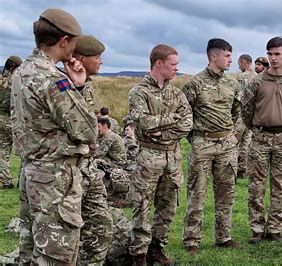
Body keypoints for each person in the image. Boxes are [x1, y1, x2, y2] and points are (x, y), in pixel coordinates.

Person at [11, 8, 98, 265]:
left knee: (31, 251)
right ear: (63, 41)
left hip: (32, 172)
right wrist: (79, 86)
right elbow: (87, 129)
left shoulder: (23, 71)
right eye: (73, 42)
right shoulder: (51, 79)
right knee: (55, 256)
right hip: (55, 180)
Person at [128, 44, 192, 265]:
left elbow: (187, 123)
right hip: (148, 156)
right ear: (159, 63)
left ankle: (157, 247)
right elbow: (142, 121)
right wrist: (170, 119)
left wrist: (161, 131)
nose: (177, 68)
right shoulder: (139, 92)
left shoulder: (176, 93)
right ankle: (138, 254)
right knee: (142, 204)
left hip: (172, 157)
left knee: (168, 205)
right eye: (174, 64)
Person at [242, 37, 282, 244]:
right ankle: (257, 228)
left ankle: (275, 228)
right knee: (255, 186)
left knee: (281, 186)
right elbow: (246, 111)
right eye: (270, 54)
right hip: (260, 138)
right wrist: (258, 129)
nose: (273, 58)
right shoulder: (256, 82)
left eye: (277, 54)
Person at [182, 38, 241, 255]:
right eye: (226, 56)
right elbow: (184, 114)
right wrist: (195, 138)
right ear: (213, 56)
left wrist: (232, 136)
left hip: (226, 145)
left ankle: (224, 237)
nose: (230, 60)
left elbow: (236, 110)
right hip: (202, 145)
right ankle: (191, 240)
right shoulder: (194, 84)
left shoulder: (232, 83)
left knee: (226, 193)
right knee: (197, 194)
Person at [73, 34, 113, 265]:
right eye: (97, 57)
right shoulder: (62, 84)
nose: (101, 62)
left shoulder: (86, 85)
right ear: (80, 58)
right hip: (68, 170)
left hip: (88, 167)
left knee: (102, 227)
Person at [95, 117, 128, 207]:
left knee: (97, 162)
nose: (97, 129)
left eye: (99, 127)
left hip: (118, 164)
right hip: (117, 161)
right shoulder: (111, 135)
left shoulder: (110, 137)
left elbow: (99, 154)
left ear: (105, 126)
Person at [0, 55, 22, 189]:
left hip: (0, 118)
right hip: (13, 119)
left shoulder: (1, 80)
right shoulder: (17, 81)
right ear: (15, 66)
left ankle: (6, 181)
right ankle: (23, 180)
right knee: (25, 150)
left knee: (2, 151)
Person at [235, 54, 256, 178]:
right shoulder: (258, 77)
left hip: (241, 115)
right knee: (246, 143)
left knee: (234, 142)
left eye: (239, 63)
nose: (238, 66)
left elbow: (239, 96)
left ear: (243, 62)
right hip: (253, 116)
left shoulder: (242, 77)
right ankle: (243, 169)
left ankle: (232, 167)